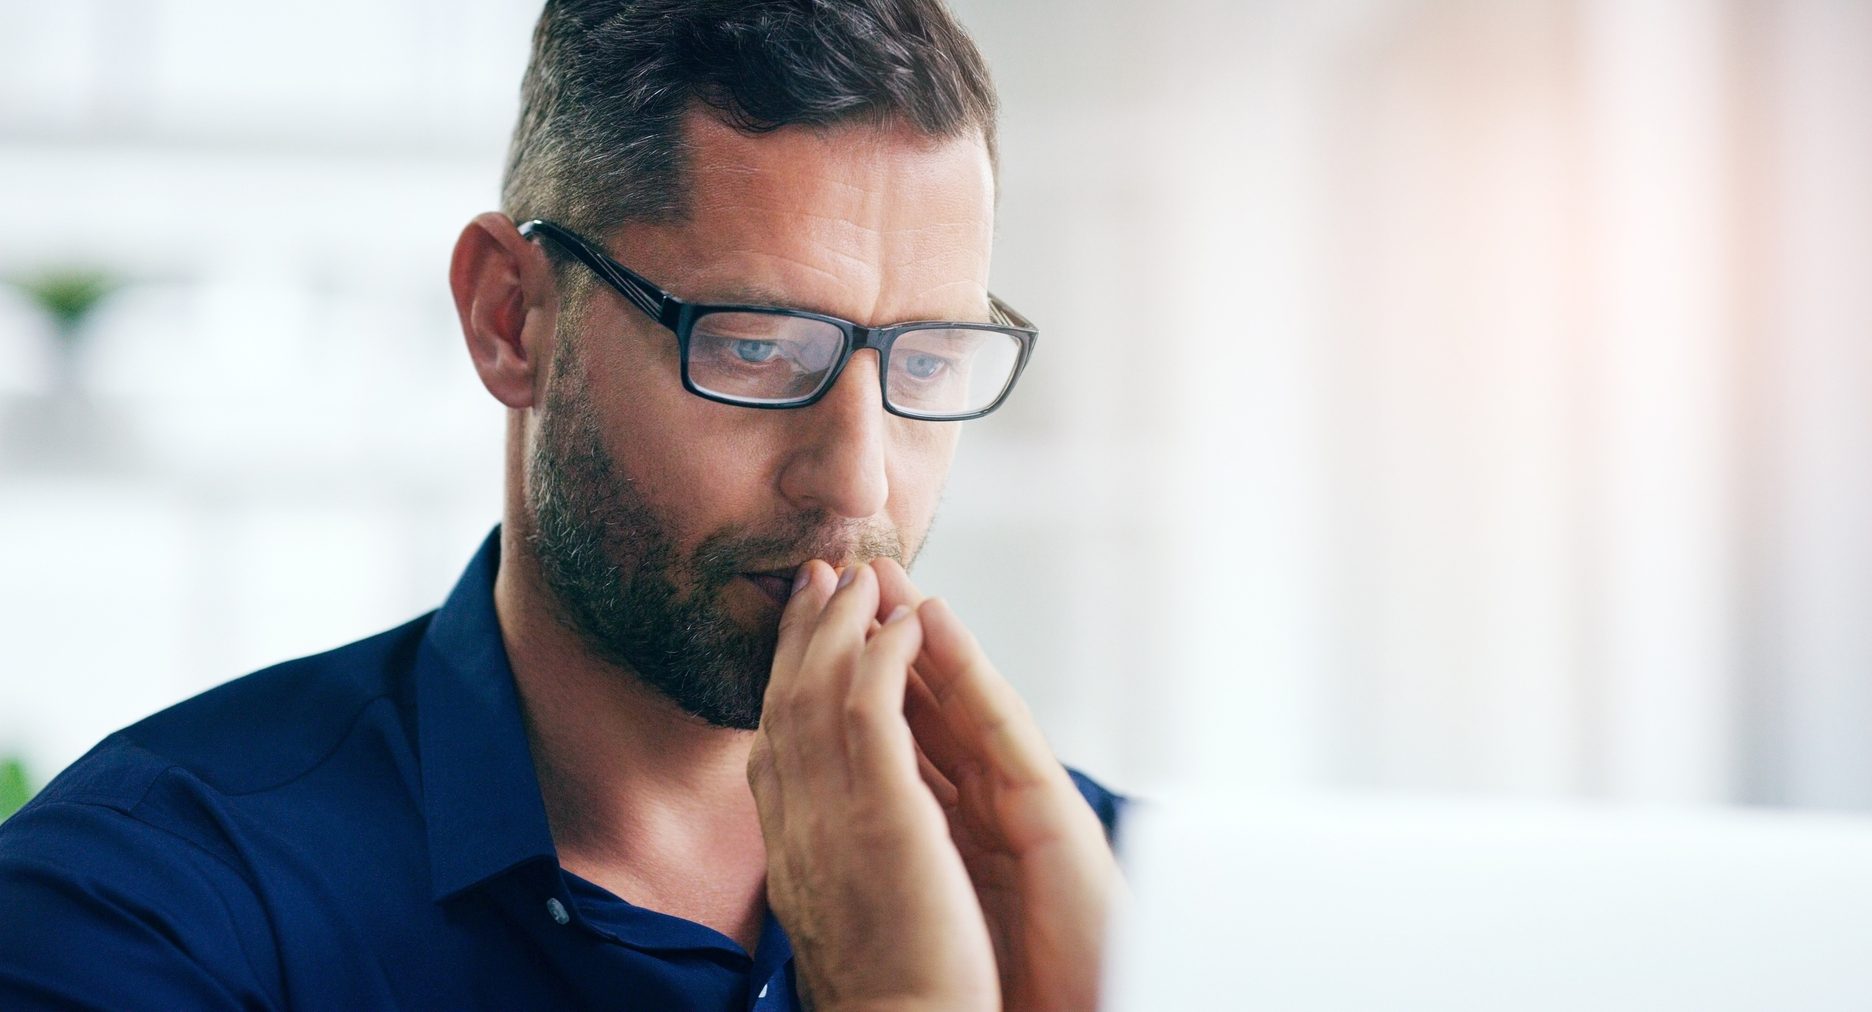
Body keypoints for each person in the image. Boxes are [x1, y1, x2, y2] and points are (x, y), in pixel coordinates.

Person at [0, 1, 1124, 1009]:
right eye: (756, 346)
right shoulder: (138, 903)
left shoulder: (1107, 896)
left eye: (926, 362)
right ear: (510, 317)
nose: (859, 480)